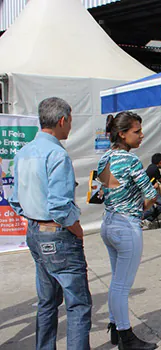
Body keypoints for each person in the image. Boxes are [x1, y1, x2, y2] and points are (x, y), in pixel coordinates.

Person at [9, 97, 92, 349]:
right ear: (62, 120)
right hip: (56, 234)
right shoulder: (56, 154)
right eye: (70, 122)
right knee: (78, 304)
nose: (70, 128)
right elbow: (59, 207)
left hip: (34, 231)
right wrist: (75, 228)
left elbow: (15, 200)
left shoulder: (23, 152)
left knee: (46, 302)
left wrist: (36, 218)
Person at [97, 111, 159, 349]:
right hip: (126, 226)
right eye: (137, 131)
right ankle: (126, 337)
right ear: (122, 134)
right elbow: (151, 194)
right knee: (121, 286)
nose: (141, 135)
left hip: (108, 223)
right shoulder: (131, 161)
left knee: (116, 282)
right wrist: (141, 207)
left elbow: (102, 192)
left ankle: (115, 326)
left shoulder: (105, 159)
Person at [142, 153, 161, 228]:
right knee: (151, 210)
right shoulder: (155, 169)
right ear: (160, 162)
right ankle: (135, 221)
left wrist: (154, 184)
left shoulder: (152, 167)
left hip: (149, 191)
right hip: (145, 192)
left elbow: (152, 179)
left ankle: (148, 220)